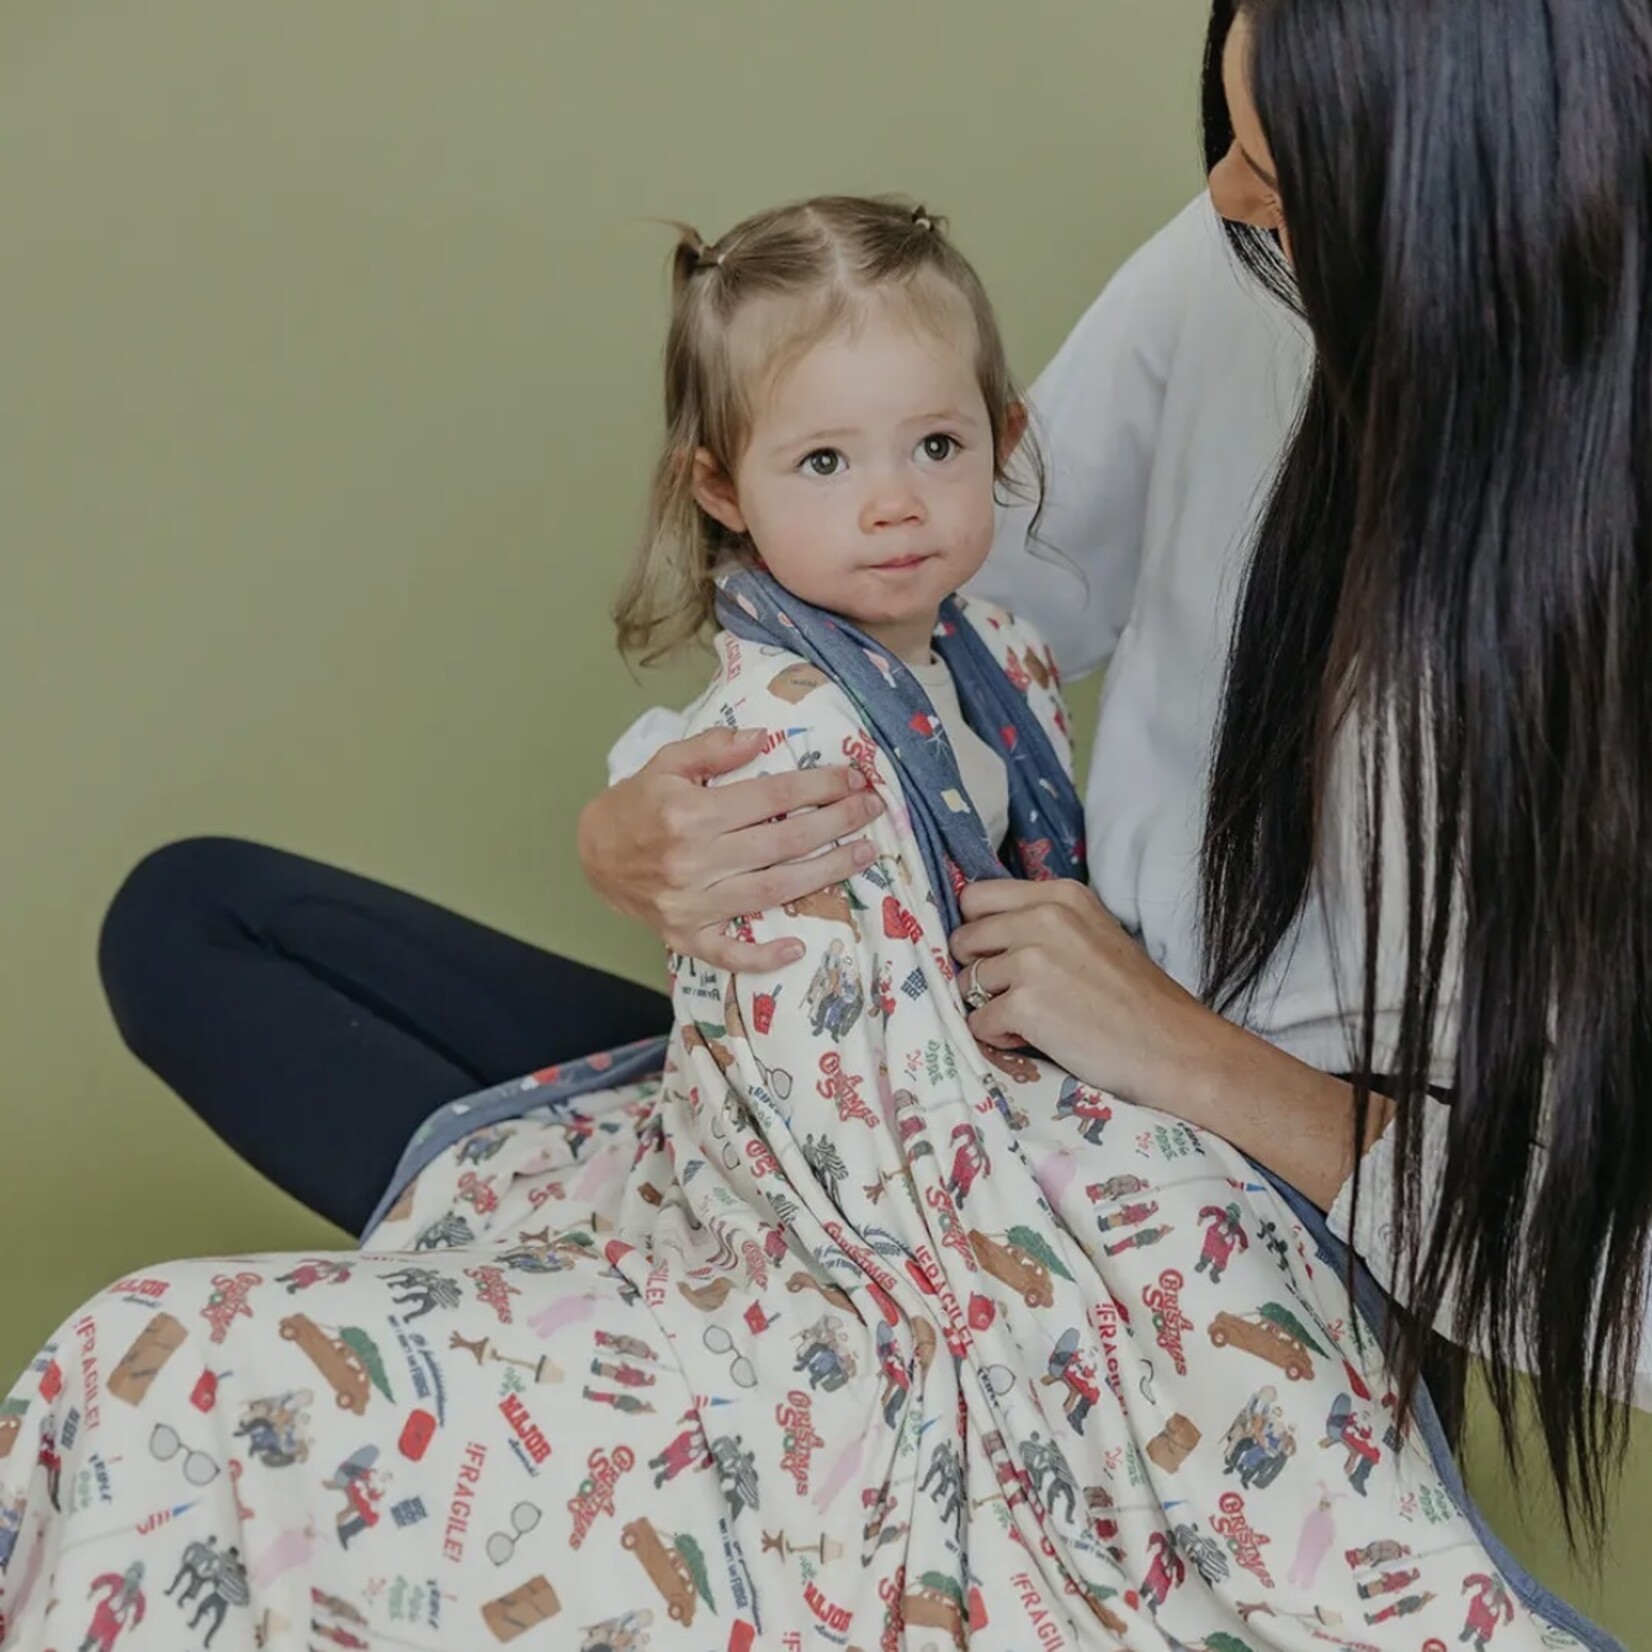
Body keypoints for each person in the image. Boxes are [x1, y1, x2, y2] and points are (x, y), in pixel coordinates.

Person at [97, 0, 1651, 1534]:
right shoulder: (1247, 257)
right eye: (1236, 144)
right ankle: (727, 1361)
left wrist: (1186, 1054)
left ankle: (763, 1411)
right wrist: (640, 830)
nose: (1230, 198)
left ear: (1487, 199)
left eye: (1289, 174)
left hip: (1226, 1229)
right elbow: (949, 583)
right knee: (199, 927)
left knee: (273, 1361)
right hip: (997, 1085)